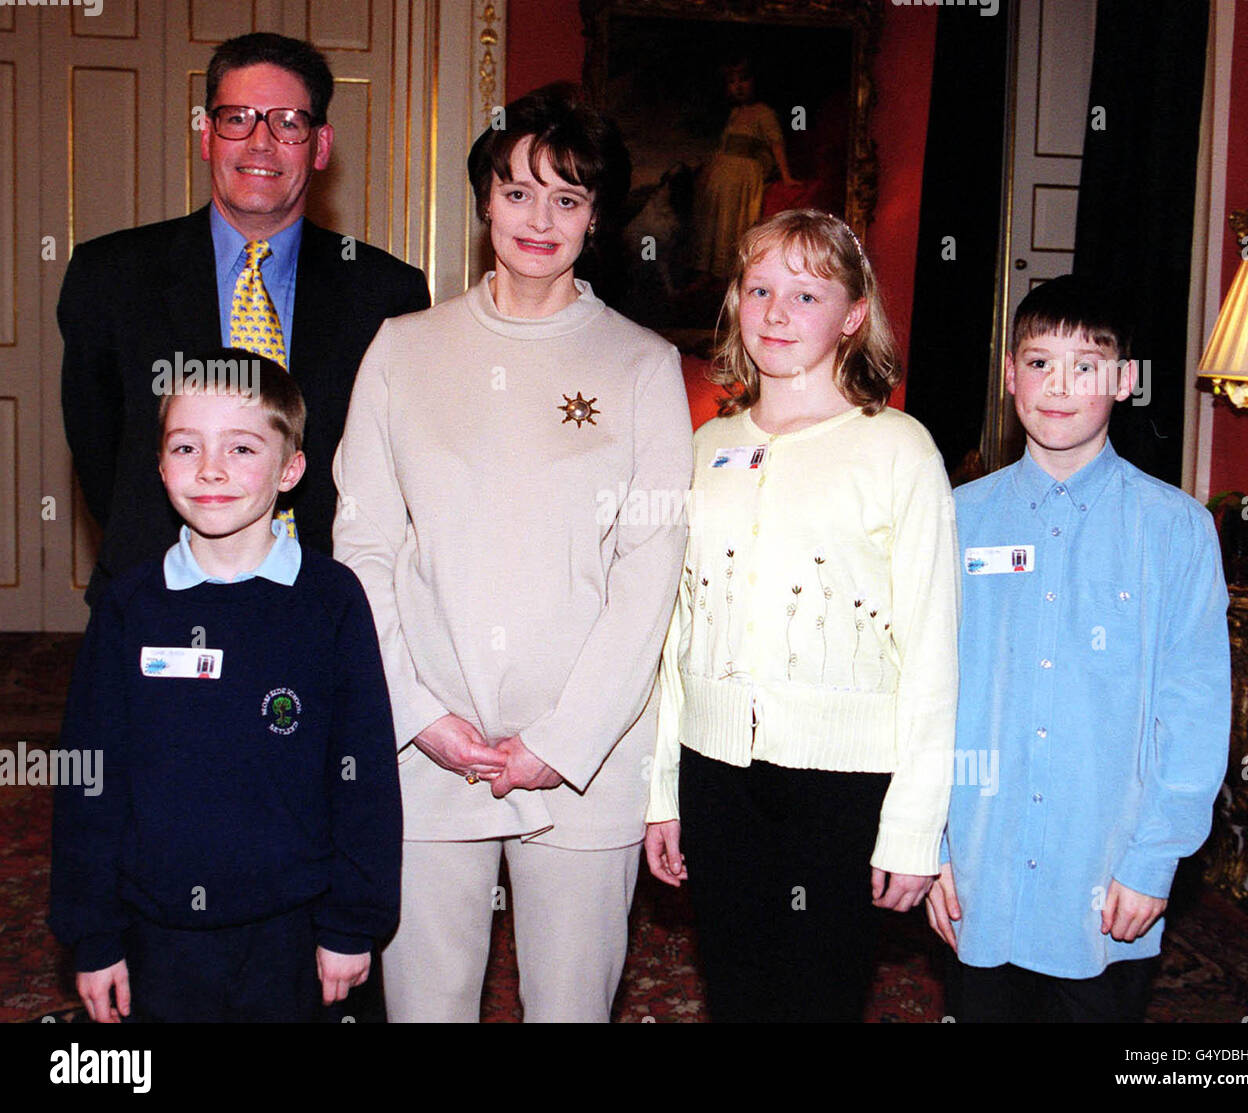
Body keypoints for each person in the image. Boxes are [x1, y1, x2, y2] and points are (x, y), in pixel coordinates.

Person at [332, 84, 694, 1023]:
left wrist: (559, 744)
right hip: (426, 746)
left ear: (597, 217)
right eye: (519, 191)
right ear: (485, 198)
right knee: (423, 1007)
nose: (541, 219)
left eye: (568, 198)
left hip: (587, 759)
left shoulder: (643, 366)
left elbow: (648, 577)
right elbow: (363, 546)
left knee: (571, 1009)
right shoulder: (402, 350)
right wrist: (417, 713)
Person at [645, 208, 960, 1022]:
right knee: (738, 992)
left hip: (844, 788)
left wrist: (914, 827)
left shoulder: (898, 447)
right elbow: (675, 631)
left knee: (817, 998)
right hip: (716, 777)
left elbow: (933, 650)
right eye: (760, 289)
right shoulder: (704, 449)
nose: (777, 313)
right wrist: (663, 792)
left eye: (807, 294)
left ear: (854, 315)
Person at [48, 353, 402, 1022]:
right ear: (160, 464)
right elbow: (90, 779)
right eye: (186, 446)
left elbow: (364, 777)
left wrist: (351, 920)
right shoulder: (130, 607)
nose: (210, 468)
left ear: (290, 468)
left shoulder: (330, 601)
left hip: (295, 933)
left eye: (242, 447)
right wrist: (93, 935)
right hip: (159, 934)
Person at [925, 275, 1231, 1022]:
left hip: (1103, 886)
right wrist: (927, 843)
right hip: (978, 874)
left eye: (1086, 365)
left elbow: (1192, 710)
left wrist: (1154, 856)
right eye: (1038, 362)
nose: (1058, 386)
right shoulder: (953, 520)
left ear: (1125, 381)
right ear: (1008, 375)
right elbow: (922, 692)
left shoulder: (1177, 530)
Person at [59, 31, 430, 608]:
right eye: (237, 118)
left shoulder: (386, 293)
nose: (261, 143)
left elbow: (395, 470)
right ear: (207, 136)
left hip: (324, 601)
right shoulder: (109, 277)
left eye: (287, 122)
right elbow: (99, 453)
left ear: (320, 145)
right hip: (154, 595)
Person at [693, 55, 796, 281]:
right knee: (711, 218)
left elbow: (776, 143)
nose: (738, 86)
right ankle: (704, 273)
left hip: (742, 175)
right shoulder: (735, 113)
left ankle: (725, 273)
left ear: (755, 81)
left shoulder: (764, 112)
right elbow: (725, 144)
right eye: (732, 81)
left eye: (744, 79)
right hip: (723, 172)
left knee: (731, 220)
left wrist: (786, 177)